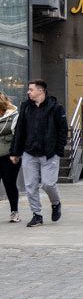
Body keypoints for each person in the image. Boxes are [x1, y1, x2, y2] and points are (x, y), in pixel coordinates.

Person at [7, 80, 67, 227]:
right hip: (29, 153)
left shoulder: (56, 108)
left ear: (41, 91)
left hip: (49, 153)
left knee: (48, 184)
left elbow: (63, 131)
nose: (28, 92)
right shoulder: (26, 107)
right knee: (30, 185)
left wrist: (58, 151)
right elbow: (19, 130)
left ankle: (56, 203)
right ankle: (37, 215)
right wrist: (15, 152)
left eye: (31, 89)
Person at [0, 93, 20, 222]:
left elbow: (17, 136)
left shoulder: (13, 115)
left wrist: (16, 153)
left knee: (9, 183)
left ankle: (14, 211)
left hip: (9, 156)